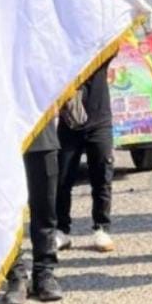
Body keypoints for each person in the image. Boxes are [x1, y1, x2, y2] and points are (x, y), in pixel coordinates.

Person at [55, 54, 116, 253]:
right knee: (62, 179)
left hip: (100, 122)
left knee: (102, 176)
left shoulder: (99, 51)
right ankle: (61, 230)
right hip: (69, 123)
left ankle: (102, 228)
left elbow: (114, 39)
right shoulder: (65, 52)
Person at [0, 119, 63, 304]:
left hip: (40, 130)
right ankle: (16, 275)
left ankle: (44, 272)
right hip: (2, 136)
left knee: (45, 208)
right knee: (5, 212)